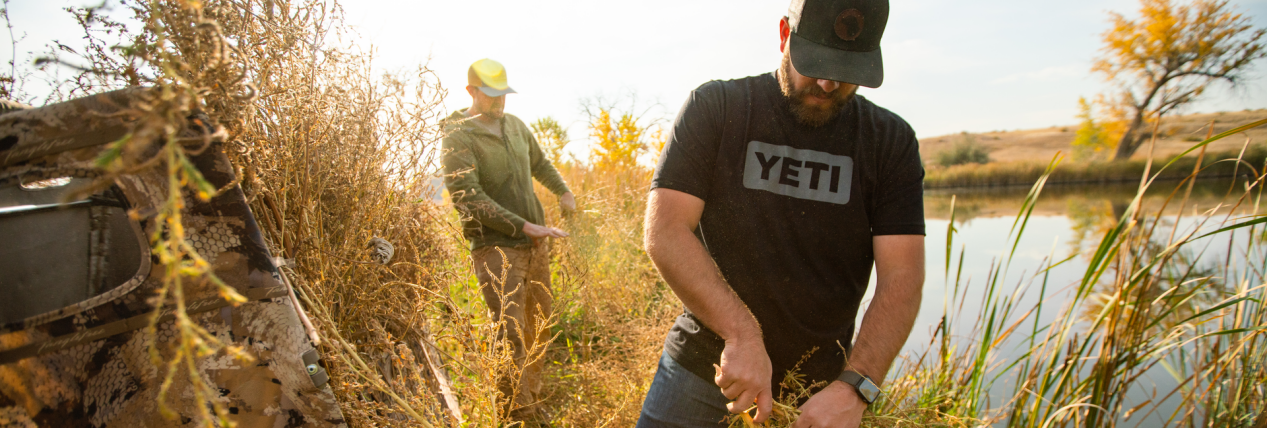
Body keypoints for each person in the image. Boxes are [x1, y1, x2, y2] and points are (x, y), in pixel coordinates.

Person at [636, 0, 925, 427]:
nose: (828, 83)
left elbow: (902, 279)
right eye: (817, 63)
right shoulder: (717, 107)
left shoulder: (891, 142)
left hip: (819, 398)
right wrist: (741, 334)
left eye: (847, 71)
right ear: (784, 36)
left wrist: (855, 386)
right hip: (702, 371)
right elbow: (665, 230)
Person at [441, 58, 576, 421]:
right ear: (471, 92)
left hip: (535, 246)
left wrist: (563, 192)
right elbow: (468, 196)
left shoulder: (515, 126)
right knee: (511, 333)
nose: (500, 101)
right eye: (491, 95)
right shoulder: (457, 136)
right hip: (496, 249)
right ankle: (513, 413)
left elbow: (541, 164)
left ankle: (531, 401)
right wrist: (524, 226)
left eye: (504, 94)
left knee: (539, 324)